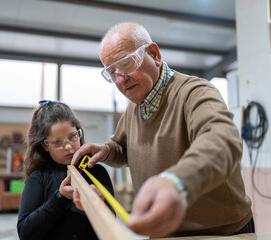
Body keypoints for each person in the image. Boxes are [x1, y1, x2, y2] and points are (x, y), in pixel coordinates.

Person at [71, 22, 254, 238]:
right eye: (111, 72)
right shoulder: (133, 109)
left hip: (221, 232)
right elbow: (122, 147)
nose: (120, 79)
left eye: (126, 63)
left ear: (154, 54)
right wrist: (106, 150)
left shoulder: (195, 92)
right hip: (163, 232)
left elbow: (222, 142)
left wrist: (177, 183)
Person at [17, 100, 114, 240]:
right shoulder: (39, 177)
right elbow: (25, 233)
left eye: (72, 137)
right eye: (57, 142)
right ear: (45, 145)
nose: (68, 147)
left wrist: (98, 204)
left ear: (79, 133)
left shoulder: (97, 172)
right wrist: (59, 198)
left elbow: (110, 227)